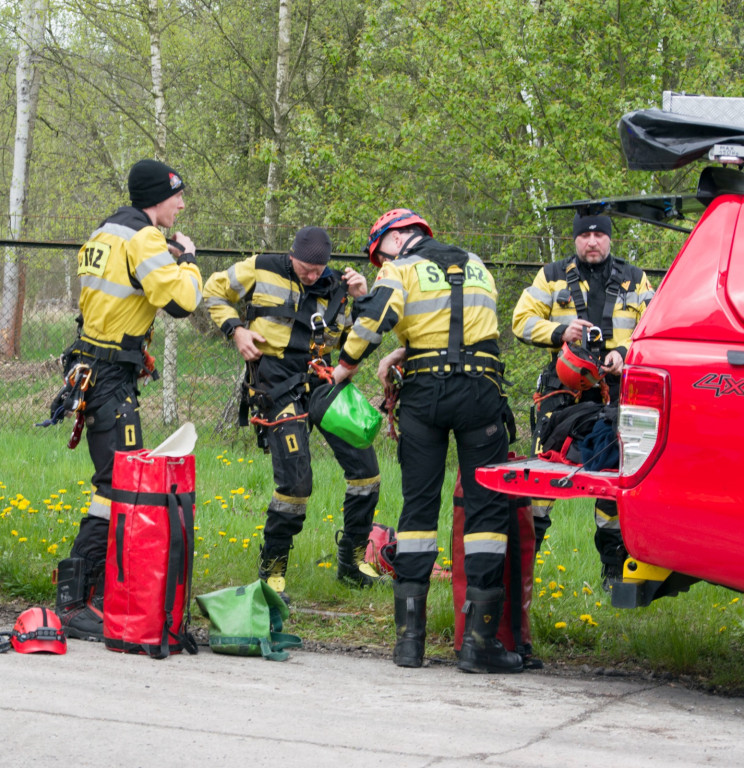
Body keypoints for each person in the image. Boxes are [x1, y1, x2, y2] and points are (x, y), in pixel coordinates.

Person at [332, 208, 523, 674]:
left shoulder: (400, 269)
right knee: (486, 510)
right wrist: (410, 347)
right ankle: (479, 644)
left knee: (418, 507)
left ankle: (409, 643)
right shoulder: (476, 264)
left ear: (397, 237)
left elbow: (375, 318)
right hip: (481, 392)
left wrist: (343, 368)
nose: (380, 263)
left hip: (424, 395)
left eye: (379, 254)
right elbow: (465, 327)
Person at [55, 158, 203, 640]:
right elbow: (181, 302)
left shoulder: (106, 232)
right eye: (177, 196)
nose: (182, 205)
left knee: (116, 480)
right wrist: (188, 260)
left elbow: (125, 290)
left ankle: (96, 592)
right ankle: (76, 601)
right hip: (110, 378)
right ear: (157, 198)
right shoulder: (145, 238)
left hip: (94, 368)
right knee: (117, 484)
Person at [202, 226, 382, 602]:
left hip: (322, 378)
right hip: (275, 382)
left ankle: (352, 563)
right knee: (296, 484)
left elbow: (350, 342)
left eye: (318, 270)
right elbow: (212, 291)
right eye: (304, 268)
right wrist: (236, 330)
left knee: (366, 470)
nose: (311, 276)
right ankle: (272, 574)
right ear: (292, 255)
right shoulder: (261, 267)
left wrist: (362, 299)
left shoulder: (337, 286)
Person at [512, 212, 655, 589]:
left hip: (617, 391)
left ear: (610, 238)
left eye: (599, 235)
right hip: (563, 393)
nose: (592, 241)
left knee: (615, 481)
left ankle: (614, 572)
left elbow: (655, 323)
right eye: (585, 235)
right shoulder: (551, 275)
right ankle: (523, 573)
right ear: (575, 240)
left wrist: (624, 352)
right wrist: (560, 330)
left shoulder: (635, 278)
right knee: (542, 477)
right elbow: (521, 321)